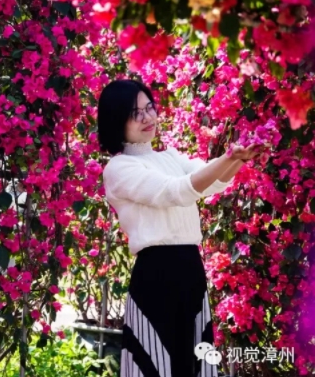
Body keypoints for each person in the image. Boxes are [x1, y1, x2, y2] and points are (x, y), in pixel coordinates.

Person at [98, 79, 260, 377]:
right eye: (136, 113)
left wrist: (237, 159)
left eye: (149, 108)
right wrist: (228, 158)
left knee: (193, 361)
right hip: (155, 275)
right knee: (155, 363)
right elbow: (177, 191)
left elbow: (211, 181)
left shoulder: (169, 157)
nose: (148, 118)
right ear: (116, 119)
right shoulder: (118, 169)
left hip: (190, 269)